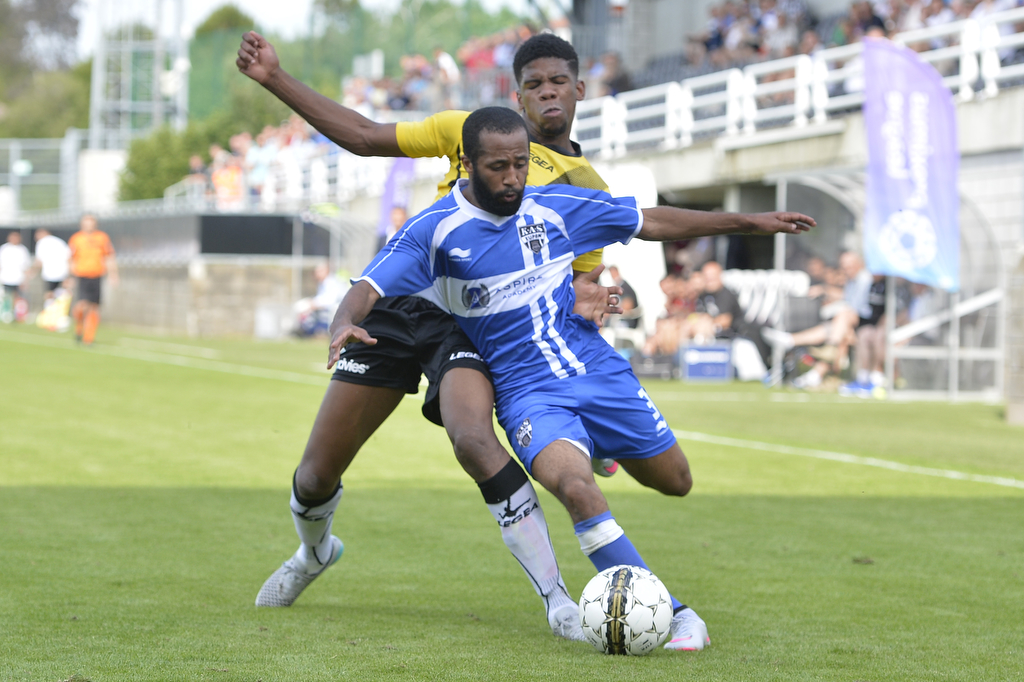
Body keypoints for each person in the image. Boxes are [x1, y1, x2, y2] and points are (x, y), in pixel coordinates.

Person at [333, 106, 814, 651]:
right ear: (467, 163)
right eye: (497, 167)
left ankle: (601, 444)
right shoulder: (433, 231)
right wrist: (344, 320)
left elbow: (649, 220)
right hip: (526, 393)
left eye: (519, 164)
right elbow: (369, 285)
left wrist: (749, 222)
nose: (512, 178)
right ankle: (678, 614)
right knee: (577, 490)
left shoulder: (558, 206)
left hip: (596, 371)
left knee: (675, 480)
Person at [238, 31, 625, 639]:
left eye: (558, 83)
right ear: (517, 95)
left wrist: (591, 414)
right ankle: (313, 552)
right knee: (315, 477)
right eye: (534, 84)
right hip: (400, 303)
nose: (548, 94)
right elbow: (367, 137)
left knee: (472, 438)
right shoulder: (470, 129)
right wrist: (275, 79)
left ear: (580, 90)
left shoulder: (589, 187)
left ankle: (558, 601)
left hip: (468, 322)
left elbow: (567, 297)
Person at [68, 214, 118, 346]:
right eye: (86, 223)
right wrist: (71, 276)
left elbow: (109, 256)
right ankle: (79, 327)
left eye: (91, 223)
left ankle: (88, 338)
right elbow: (71, 259)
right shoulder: (76, 239)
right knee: (82, 305)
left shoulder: (102, 237)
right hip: (82, 275)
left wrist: (113, 274)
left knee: (94, 308)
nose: (89, 226)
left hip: (97, 276)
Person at [31, 228, 71, 303]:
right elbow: (69, 258)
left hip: (49, 273)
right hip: (63, 273)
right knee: (62, 295)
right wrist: (69, 275)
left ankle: (50, 312)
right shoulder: (60, 241)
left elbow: (39, 262)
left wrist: (33, 271)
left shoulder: (41, 242)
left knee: (49, 295)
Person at [0, 231, 31, 323]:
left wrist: (26, 280)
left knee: (18, 297)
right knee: (6, 296)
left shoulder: (23, 250)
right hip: (6, 277)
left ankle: (18, 314)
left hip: (18, 278)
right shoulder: (4, 248)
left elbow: (26, 266)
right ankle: (6, 313)